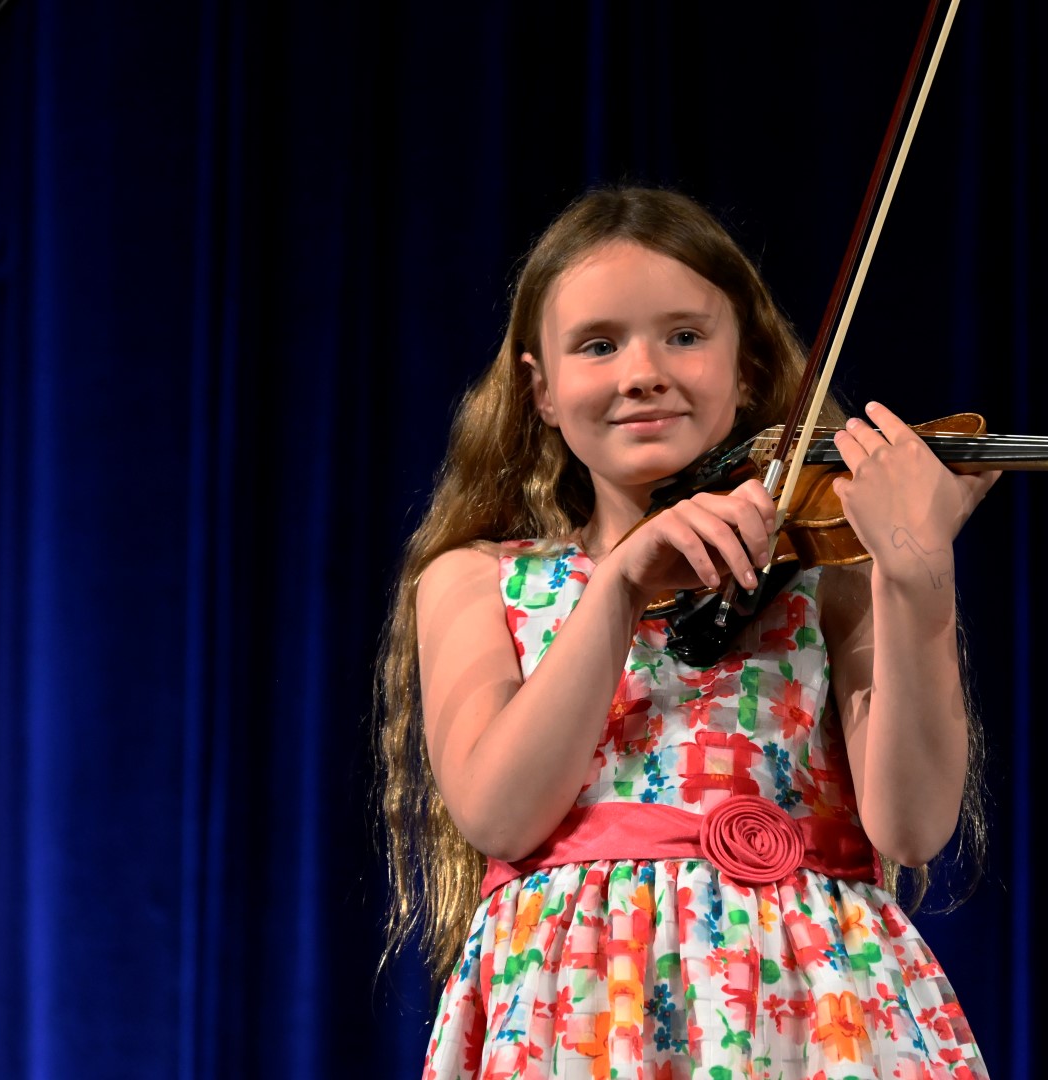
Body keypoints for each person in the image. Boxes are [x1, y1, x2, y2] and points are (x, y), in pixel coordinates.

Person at [376, 185, 997, 1080]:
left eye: (684, 336)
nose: (643, 372)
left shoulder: (826, 576)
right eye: (599, 345)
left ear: (746, 368)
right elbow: (501, 815)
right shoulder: (477, 580)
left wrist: (915, 573)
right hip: (581, 1008)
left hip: (815, 1006)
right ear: (540, 389)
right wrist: (621, 585)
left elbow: (913, 825)